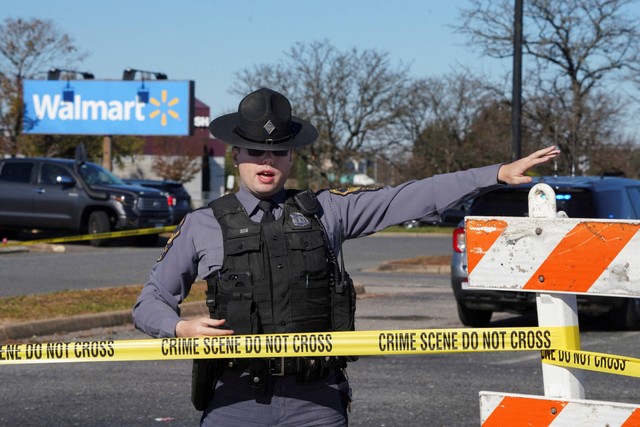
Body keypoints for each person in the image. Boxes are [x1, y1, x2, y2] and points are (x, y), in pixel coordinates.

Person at [132, 87, 559, 426]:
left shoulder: (329, 210)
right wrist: (180, 326)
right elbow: (149, 303)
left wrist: (495, 174)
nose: (267, 159)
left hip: (316, 403)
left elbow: (410, 197)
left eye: (278, 150)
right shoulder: (203, 224)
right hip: (235, 400)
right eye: (256, 150)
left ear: (292, 155)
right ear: (237, 154)